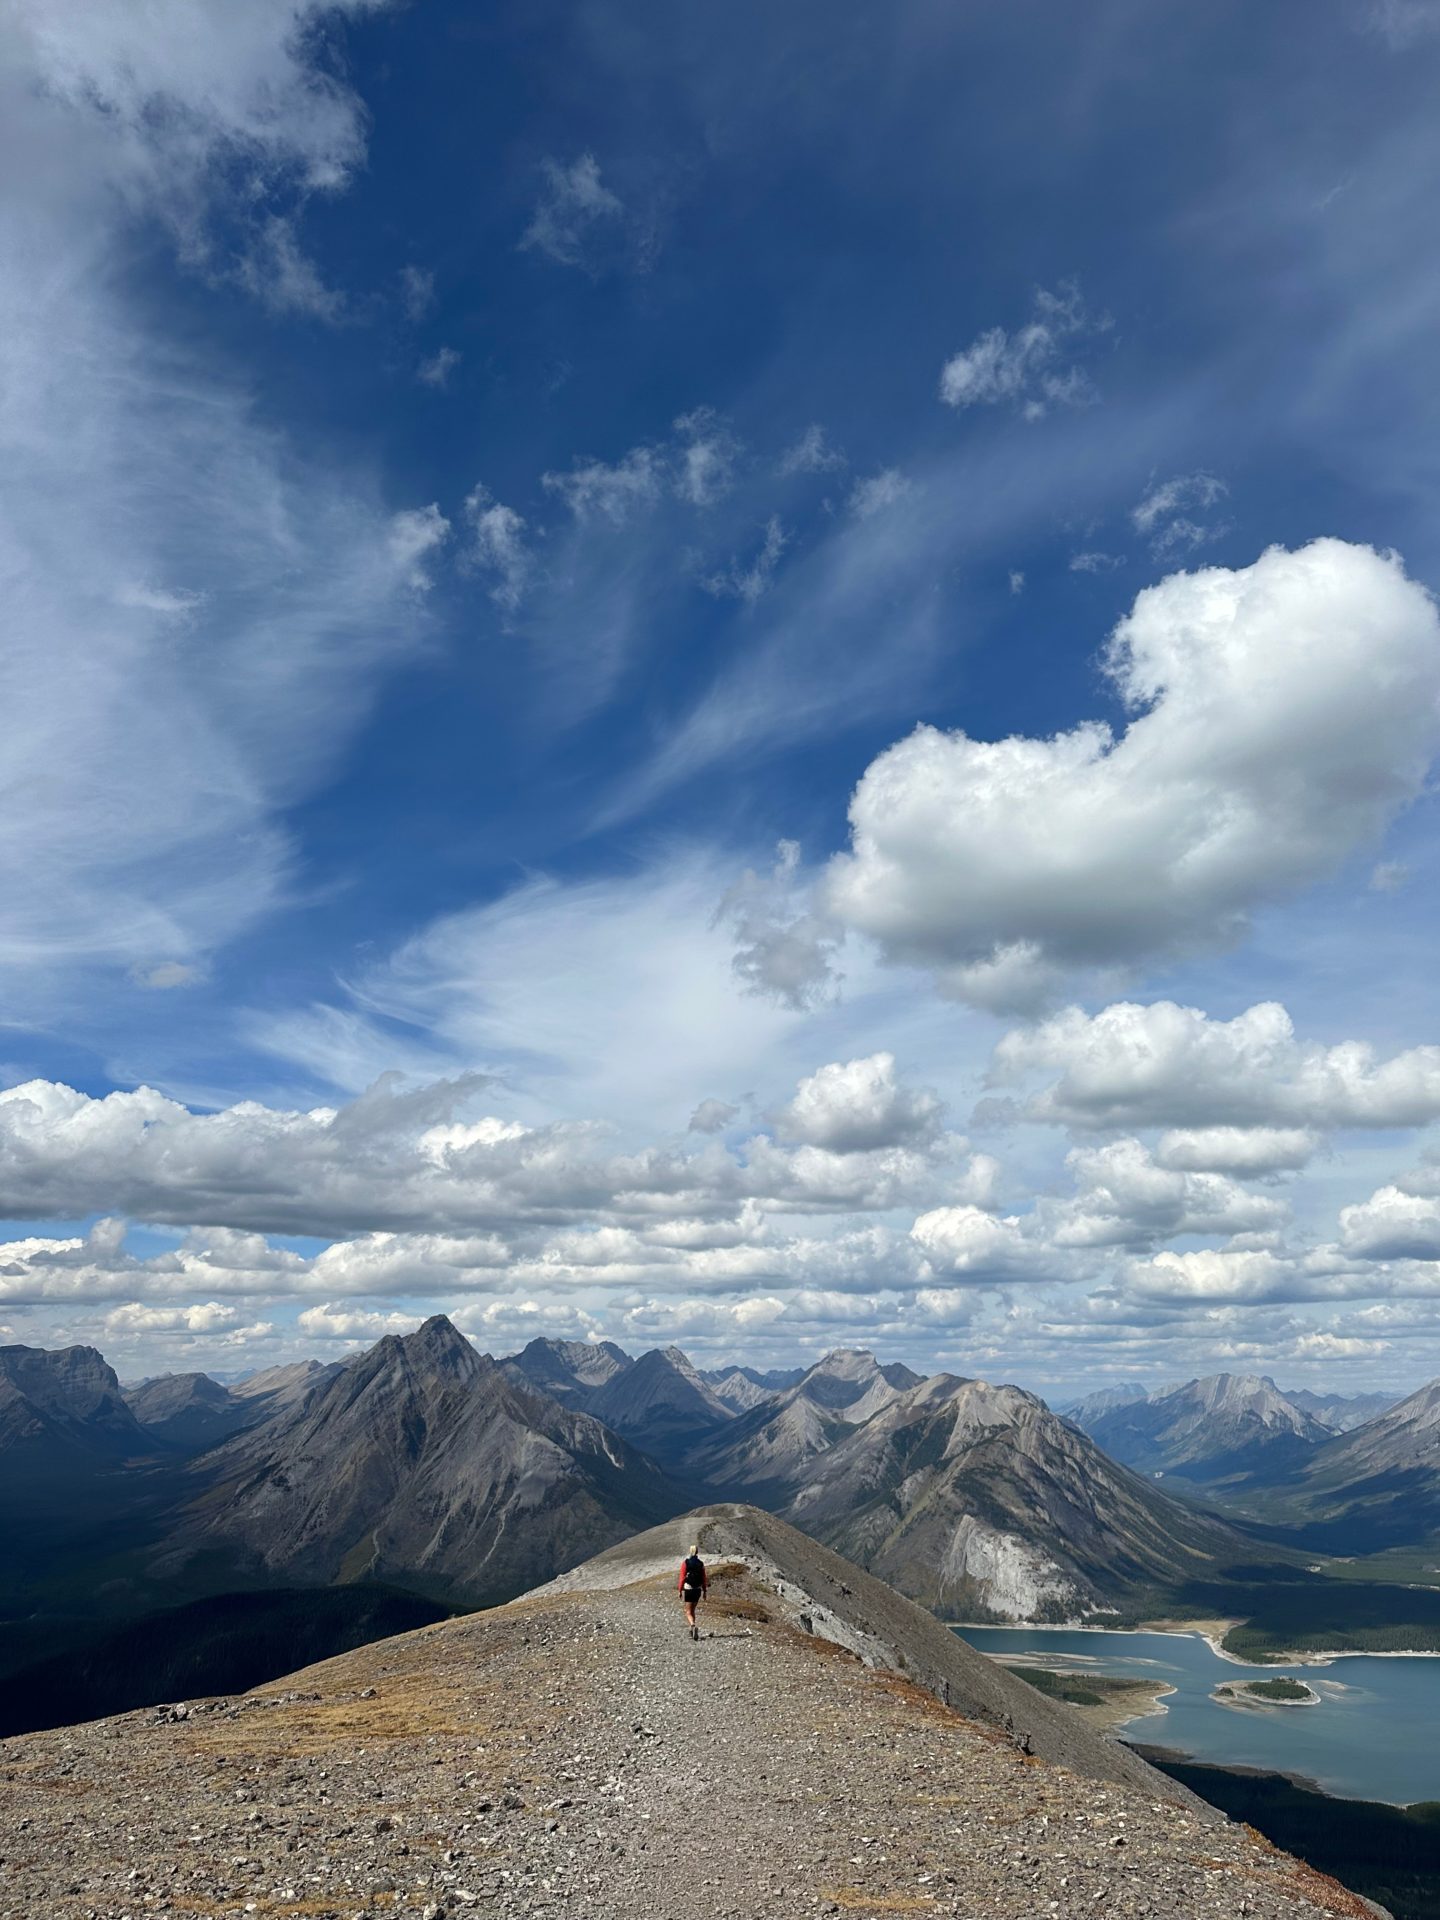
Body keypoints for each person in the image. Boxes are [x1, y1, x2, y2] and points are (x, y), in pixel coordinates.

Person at [677, 1542, 707, 1640]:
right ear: (697, 1552)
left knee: (688, 1611)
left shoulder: (686, 1563)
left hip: (688, 1588)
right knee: (693, 1610)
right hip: (698, 1590)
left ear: (690, 1551)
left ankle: (693, 1625)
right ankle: (691, 1630)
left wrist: (680, 1590)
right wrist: (705, 1591)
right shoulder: (700, 1564)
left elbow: (682, 1577)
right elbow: (704, 1578)